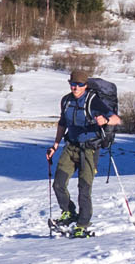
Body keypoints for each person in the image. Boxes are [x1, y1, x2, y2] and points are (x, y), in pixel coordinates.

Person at [46, 69, 121, 237]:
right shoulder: (66, 101)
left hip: (89, 149)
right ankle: (69, 213)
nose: (76, 88)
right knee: (58, 183)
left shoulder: (93, 101)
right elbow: (62, 124)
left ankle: (83, 223)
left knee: (84, 188)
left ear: (85, 86)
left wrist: (106, 120)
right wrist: (55, 146)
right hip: (71, 147)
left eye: (79, 85)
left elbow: (117, 119)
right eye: (73, 84)